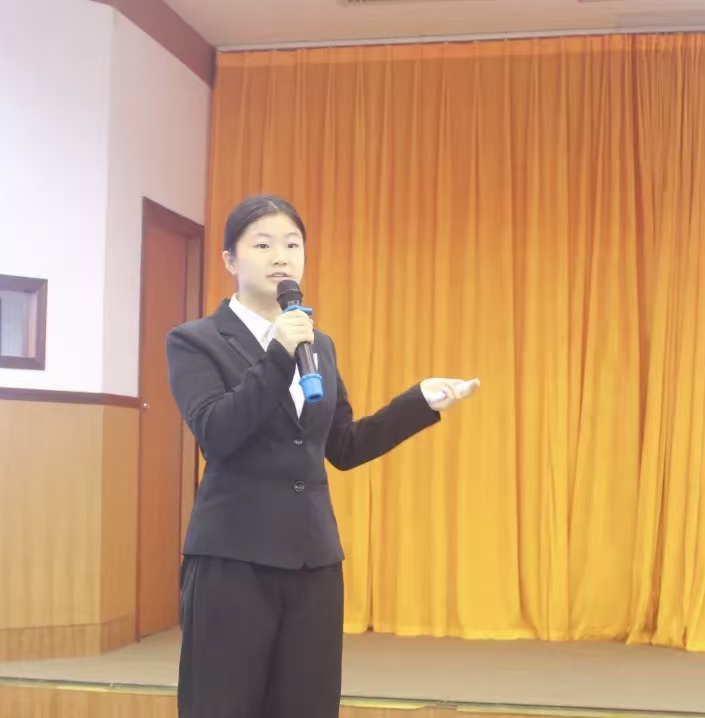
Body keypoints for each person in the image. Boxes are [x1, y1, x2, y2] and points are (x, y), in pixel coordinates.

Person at [165, 194, 480, 718]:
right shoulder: (196, 341)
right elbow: (217, 432)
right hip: (233, 561)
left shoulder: (320, 345)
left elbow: (344, 446)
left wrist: (418, 403)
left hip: (313, 563)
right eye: (262, 245)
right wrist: (278, 353)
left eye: (293, 245)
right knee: (222, 704)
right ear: (229, 260)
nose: (281, 257)